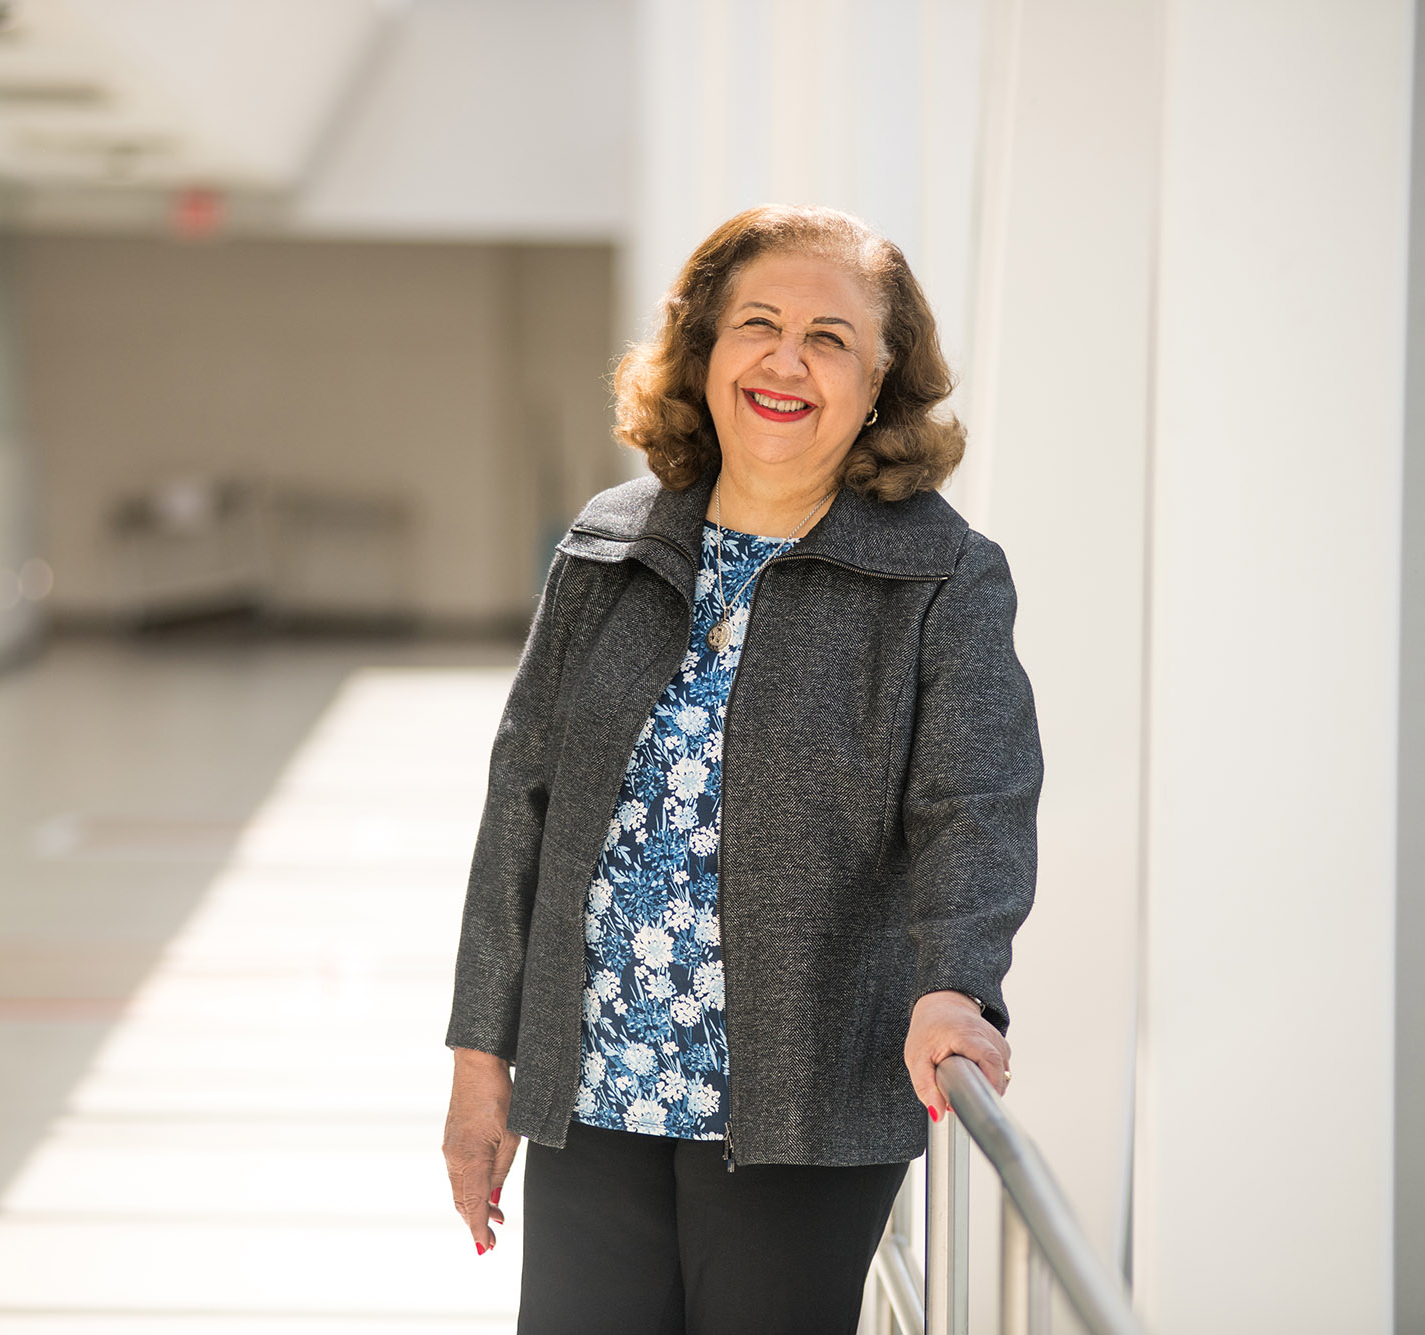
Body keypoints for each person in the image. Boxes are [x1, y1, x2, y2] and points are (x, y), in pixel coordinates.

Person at [442, 204, 1042, 1334]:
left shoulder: (942, 577)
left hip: (804, 1099)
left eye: (829, 338)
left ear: (880, 385)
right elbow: (519, 809)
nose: (784, 359)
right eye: (755, 324)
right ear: (702, 352)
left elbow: (975, 806)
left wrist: (956, 983)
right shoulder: (608, 545)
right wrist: (484, 1062)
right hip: (595, 1085)